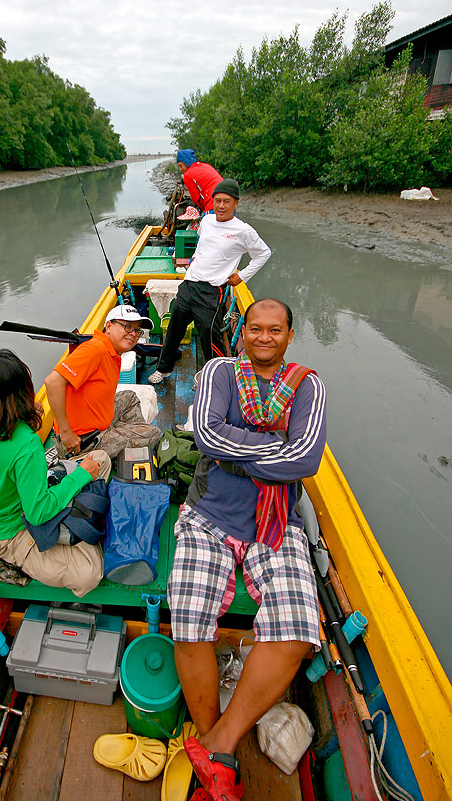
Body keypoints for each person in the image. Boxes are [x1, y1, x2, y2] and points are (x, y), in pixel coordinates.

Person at [166, 299, 326, 801]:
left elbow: (307, 459)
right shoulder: (219, 372)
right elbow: (209, 436)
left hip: (274, 525)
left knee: (300, 628)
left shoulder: (307, 386)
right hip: (209, 516)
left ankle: (217, 745)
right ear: (243, 333)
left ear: (289, 336)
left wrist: (248, 452)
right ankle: (219, 752)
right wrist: (274, 451)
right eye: (254, 328)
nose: (263, 337)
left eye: (273, 330)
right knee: (187, 616)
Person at [0, 349, 111, 596]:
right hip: (15, 533)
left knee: (99, 459)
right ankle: (85, 540)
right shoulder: (26, 445)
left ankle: (80, 532)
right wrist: (81, 476)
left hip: (30, 499)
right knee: (90, 572)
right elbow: (38, 513)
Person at [148, 179, 271, 385]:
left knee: (210, 337)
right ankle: (164, 368)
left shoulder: (243, 230)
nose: (221, 205)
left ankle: (214, 377)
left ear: (236, 203)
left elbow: (264, 253)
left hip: (212, 290)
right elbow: (202, 244)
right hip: (189, 284)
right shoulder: (206, 221)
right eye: (217, 201)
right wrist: (195, 260)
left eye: (227, 201)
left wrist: (242, 276)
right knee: (173, 330)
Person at [45, 304, 161, 459]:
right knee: (154, 434)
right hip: (82, 440)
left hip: (97, 421)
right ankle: (118, 447)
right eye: (127, 327)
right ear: (108, 326)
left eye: (137, 330)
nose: (133, 334)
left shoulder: (112, 351)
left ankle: (125, 439)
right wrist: (66, 433)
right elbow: (52, 382)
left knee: (129, 397)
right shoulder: (94, 350)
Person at [177, 149, 222, 214]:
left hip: (215, 206)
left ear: (187, 162)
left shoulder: (188, 174)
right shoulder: (205, 165)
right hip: (229, 204)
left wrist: (205, 209)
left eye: (181, 166)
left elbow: (196, 198)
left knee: (204, 222)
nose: (180, 169)